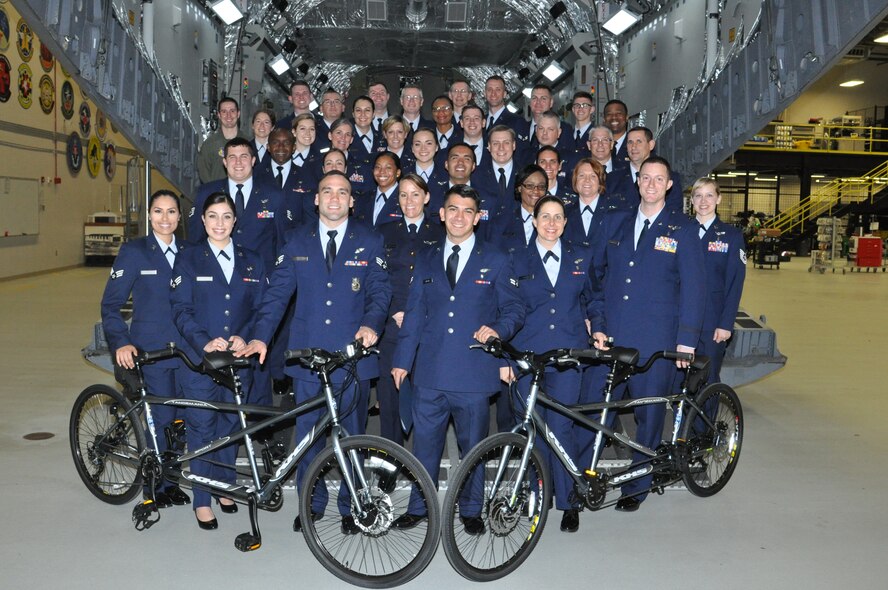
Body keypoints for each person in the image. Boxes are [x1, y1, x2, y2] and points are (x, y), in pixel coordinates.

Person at [237, 171, 391, 534]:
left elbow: (380, 292)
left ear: (352, 201)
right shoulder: (295, 241)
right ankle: (311, 503)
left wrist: (371, 324)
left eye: (343, 192)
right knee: (307, 436)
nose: (335, 198)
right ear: (316, 199)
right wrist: (261, 337)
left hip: (352, 359)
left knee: (352, 437)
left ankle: (353, 505)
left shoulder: (370, 239)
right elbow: (276, 296)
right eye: (327, 192)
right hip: (306, 361)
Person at [391, 184, 524, 531]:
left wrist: (498, 330)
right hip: (430, 372)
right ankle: (420, 507)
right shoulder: (428, 257)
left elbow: (514, 308)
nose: (459, 217)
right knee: (424, 447)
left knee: (474, 449)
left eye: (467, 211)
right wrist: (403, 360)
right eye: (453, 209)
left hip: (473, 372)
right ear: (441, 213)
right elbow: (416, 312)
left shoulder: (495, 258)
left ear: (478, 218)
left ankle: (470, 510)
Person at [588, 155, 705, 512]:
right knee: (598, 411)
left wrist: (685, 340)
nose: (651, 185)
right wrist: (598, 322)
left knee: (648, 417)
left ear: (669, 186)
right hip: (614, 338)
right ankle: (585, 478)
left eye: (659, 179)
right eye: (645, 178)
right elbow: (599, 278)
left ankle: (636, 487)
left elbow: (694, 288)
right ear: (637, 182)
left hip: (657, 341)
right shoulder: (617, 224)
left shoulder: (682, 229)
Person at [171, 192, 267, 529]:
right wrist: (203, 342)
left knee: (230, 427)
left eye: (226, 216)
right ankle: (201, 498)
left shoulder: (252, 260)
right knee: (201, 425)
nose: (219, 223)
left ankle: (224, 487)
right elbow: (180, 310)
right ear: (203, 220)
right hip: (200, 362)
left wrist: (248, 335)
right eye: (213, 216)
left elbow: (261, 309)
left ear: (235, 221)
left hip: (237, 361)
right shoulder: (188, 258)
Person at [509, 195, 596, 533]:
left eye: (558, 217)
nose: (551, 223)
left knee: (561, 429)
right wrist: (506, 359)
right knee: (531, 429)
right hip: (527, 357)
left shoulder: (580, 257)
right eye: (544, 216)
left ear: (564, 222)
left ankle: (569, 501)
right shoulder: (516, 259)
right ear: (533, 221)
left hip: (567, 358)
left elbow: (593, 298)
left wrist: (598, 327)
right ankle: (537, 494)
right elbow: (505, 309)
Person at [100, 190, 191, 509]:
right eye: (158, 211)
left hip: (186, 353)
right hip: (150, 351)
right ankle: (153, 487)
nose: (164, 218)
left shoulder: (191, 251)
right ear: (149, 216)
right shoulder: (135, 252)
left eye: (171, 212)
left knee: (182, 420)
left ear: (180, 217)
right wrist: (121, 342)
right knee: (161, 418)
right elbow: (110, 305)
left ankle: (172, 481)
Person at [376, 174, 445, 444]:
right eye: (403, 195)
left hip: (428, 326)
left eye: (415, 194)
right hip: (392, 326)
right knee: (389, 396)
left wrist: (419, 314)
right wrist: (394, 309)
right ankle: (388, 461)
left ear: (426, 198)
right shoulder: (384, 232)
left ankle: (421, 461)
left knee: (425, 397)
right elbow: (378, 278)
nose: (409, 201)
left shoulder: (440, 232)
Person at [691, 177, 746, 383]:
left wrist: (726, 324)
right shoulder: (680, 233)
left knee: (707, 379)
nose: (703, 201)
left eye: (709, 195)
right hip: (680, 321)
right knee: (681, 381)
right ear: (692, 201)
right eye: (698, 195)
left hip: (712, 323)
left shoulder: (731, 236)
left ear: (719, 199)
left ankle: (707, 416)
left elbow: (735, 284)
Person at [608, 126, 684, 213]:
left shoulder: (669, 178)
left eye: (639, 141)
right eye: (630, 142)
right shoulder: (612, 179)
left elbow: (674, 213)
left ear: (651, 145)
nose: (633, 146)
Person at [197, 97, 245, 183]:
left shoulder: (249, 143)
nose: (228, 115)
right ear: (219, 115)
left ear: (238, 114)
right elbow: (204, 176)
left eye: (232, 111)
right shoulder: (209, 145)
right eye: (224, 112)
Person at [353, 151, 402, 228]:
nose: (382, 172)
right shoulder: (363, 199)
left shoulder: (405, 198)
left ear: (398, 172)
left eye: (388, 167)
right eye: (378, 167)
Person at [350, 95, 383, 164]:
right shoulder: (347, 138)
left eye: (367, 110)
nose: (363, 114)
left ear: (373, 114)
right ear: (353, 114)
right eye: (358, 110)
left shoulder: (382, 137)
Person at [602, 99, 630, 170]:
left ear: (626, 117)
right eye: (609, 114)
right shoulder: (597, 146)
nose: (614, 117)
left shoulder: (634, 145)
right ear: (604, 119)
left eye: (619, 114)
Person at [568, 91, 595, 157]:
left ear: (592, 109)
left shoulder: (596, 135)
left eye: (585, 105)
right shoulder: (566, 135)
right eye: (577, 105)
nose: (580, 108)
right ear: (573, 109)